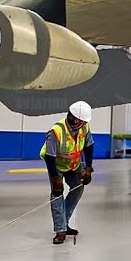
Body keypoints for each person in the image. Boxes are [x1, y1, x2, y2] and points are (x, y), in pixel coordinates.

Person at [42, 101, 94, 244]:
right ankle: (60, 230)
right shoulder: (56, 132)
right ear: (76, 120)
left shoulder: (84, 127)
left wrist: (88, 168)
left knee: (78, 188)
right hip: (56, 166)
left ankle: (64, 222)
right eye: (82, 121)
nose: (84, 124)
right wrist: (56, 179)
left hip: (74, 165)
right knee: (57, 194)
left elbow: (89, 146)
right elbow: (49, 157)